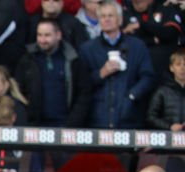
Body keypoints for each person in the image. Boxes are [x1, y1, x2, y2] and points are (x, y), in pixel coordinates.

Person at [79, 0, 156, 129]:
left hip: (130, 118)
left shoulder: (137, 46)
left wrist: (132, 96)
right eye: (103, 16)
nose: (106, 19)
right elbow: (81, 84)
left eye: (110, 16)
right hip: (98, 120)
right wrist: (101, 73)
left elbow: (148, 77)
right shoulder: (87, 49)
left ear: (120, 20)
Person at [16, 17, 93, 127]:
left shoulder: (73, 60)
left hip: (66, 126)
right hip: (34, 127)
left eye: (47, 35)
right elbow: (18, 91)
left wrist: (72, 123)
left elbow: (84, 94)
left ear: (58, 35)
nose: (42, 40)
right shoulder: (27, 60)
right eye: (39, 35)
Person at [122, 0, 183, 83]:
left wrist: (142, 25)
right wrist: (153, 39)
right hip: (134, 75)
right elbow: (125, 39)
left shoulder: (165, 7)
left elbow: (170, 33)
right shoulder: (123, 11)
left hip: (165, 77)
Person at [147, 48, 185, 130]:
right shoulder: (162, 91)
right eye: (178, 64)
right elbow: (151, 117)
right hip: (169, 139)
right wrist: (170, 126)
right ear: (171, 68)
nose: (182, 68)